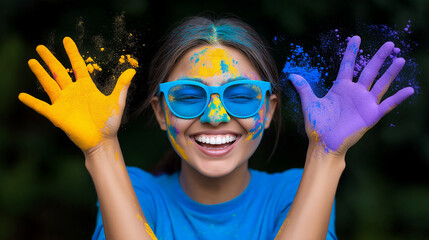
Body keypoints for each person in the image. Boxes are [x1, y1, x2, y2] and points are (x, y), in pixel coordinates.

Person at [18, 15, 414, 240]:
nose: (215, 116)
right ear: (160, 112)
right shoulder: (134, 190)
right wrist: (101, 150)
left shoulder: (297, 190)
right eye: (189, 95)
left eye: (241, 95)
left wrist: (327, 156)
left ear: (269, 110)